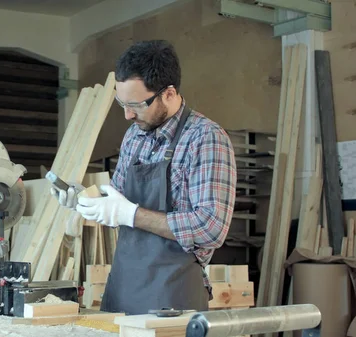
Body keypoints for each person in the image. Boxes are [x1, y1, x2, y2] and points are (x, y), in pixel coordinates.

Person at [50, 40, 237, 315]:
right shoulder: (134, 136)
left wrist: (131, 215)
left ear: (169, 94)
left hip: (173, 299)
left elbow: (211, 227)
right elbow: (116, 201)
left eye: (136, 105)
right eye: (121, 103)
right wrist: (83, 199)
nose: (127, 115)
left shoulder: (205, 138)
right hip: (123, 289)